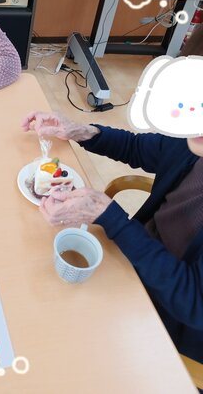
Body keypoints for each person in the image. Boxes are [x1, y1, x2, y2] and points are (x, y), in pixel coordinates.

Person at [22, 110, 203, 373]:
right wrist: (82, 132)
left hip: (167, 318)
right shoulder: (193, 140)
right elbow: (137, 147)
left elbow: (193, 301)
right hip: (135, 257)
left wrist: (110, 217)